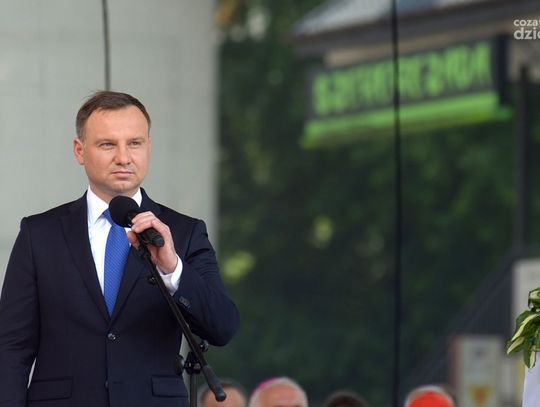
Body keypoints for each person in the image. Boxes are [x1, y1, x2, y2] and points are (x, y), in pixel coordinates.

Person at [0, 90, 240, 406]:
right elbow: (12, 347)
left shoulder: (183, 232)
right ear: (79, 150)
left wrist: (172, 269)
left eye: (135, 143)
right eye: (107, 144)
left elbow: (222, 327)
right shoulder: (40, 233)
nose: (123, 157)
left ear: (149, 147)